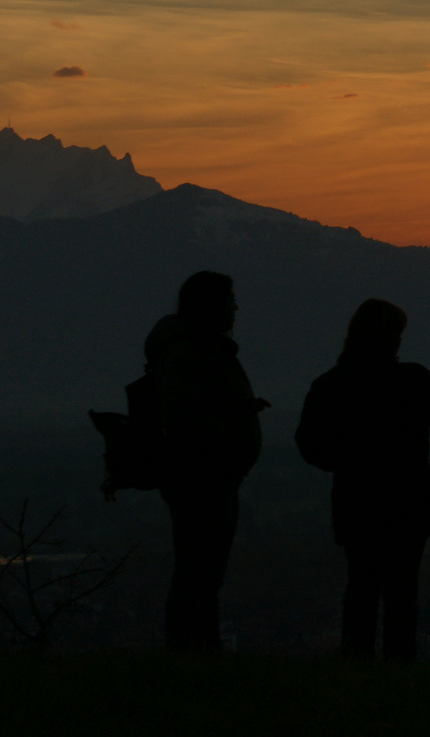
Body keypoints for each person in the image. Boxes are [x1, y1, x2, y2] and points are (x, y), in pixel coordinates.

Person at [295, 299, 430, 661]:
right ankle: (399, 666)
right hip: (407, 504)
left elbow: (310, 445)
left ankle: (356, 661)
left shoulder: (331, 385)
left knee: (361, 587)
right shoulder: (408, 380)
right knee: (401, 593)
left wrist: (349, 463)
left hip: (357, 502)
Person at [147, 270, 268, 651]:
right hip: (201, 478)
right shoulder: (189, 350)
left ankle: (199, 652)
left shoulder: (196, 347)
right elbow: (181, 415)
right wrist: (234, 430)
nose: (236, 308)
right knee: (199, 573)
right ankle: (193, 653)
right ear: (211, 306)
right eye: (230, 300)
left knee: (203, 573)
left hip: (210, 477)